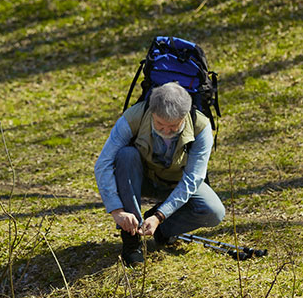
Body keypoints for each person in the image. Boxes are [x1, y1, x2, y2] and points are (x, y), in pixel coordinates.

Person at [94, 82, 225, 267]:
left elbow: (193, 178)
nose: (165, 131)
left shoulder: (201, 126)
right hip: (142, 178)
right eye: (159, 124)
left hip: (177, 182)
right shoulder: (134, 116)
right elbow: (103, 164)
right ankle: (132, 241)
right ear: (152, 113)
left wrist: (159, 216)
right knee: (125, 156)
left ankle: (162, 230)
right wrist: (117, 210)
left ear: (184, 117)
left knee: (214, 212)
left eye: (172, 127)